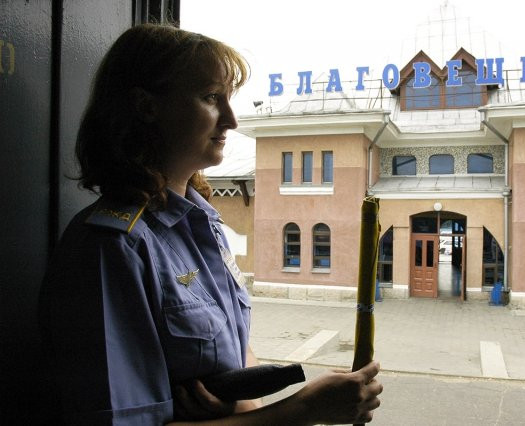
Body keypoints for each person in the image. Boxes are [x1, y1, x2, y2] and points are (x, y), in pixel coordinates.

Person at [38, 23, 382, 425]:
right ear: (147, 106)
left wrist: (238, 405)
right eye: (211, 97)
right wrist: (304, 409)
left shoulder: (203, 226)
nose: (231, 120)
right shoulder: (110, 248)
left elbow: (235, 351)